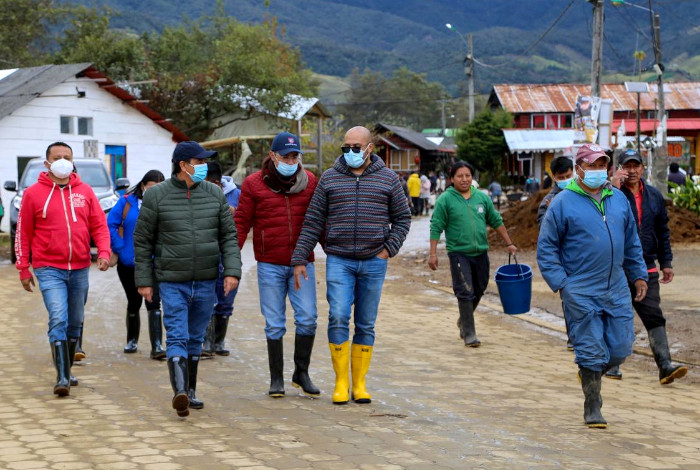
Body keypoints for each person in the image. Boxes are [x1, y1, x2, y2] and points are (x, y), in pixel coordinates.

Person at [292, 126, 411, 405]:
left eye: (356, 147)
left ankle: (359, 383)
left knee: (366, 323)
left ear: (370, 148)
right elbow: (313, 221)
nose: (350, 152)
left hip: (374, 261)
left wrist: (387, 250)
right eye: (346, 147)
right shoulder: (330, 179)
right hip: (339, 261)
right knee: (338, 316)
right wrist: (299, 257)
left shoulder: (388, 179)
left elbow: (404, 218)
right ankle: (340, 381)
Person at [537, 143, 648, 429]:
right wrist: (563, 284)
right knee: (590, 349)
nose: (599, 171)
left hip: (615, 286)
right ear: (578, 169)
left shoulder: (618, 200)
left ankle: (591, 372)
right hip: (580, 289)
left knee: (621, 348)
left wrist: (638, 274)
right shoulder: (562, 203)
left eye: (603, 165)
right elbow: (546, 248)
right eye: (593, 165)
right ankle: (593, 404)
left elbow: (632, 241)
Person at [134, 141, 241, 418]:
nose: (204, 166)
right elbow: (143, 241)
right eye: (199, 161)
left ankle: (190, 392)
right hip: (172, 280)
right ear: (183, 165)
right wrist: (144, 280)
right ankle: (179, 391)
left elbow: (229, 236)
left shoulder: (215, 195)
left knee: (195, 337)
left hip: (206, 279)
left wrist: (231, 270)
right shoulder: (156, 196)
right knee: (178, 335)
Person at [15, 142, 110, 396]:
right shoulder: (33, 194)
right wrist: (23, 268)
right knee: (59, 316)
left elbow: (99, 225)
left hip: (79, 267)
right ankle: (63, 376)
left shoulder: (85, 191)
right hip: (48, 268)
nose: (63, 161)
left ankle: (66, 368)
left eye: (67, 157)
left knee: (75, 321)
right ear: (47, 163)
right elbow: (23, 234)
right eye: (57, 157)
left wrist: (103, 252)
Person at [235, 131, 320, 398]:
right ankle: (276, 379)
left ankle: (301, 372)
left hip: (302, 263)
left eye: (295, 156)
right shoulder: (253, 184)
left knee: (307, 318)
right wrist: (230, 259)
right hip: (269, 263)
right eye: (286, 156)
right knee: (274, 323)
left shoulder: (310, 182)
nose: (291, 160)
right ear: (273, 156)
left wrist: (338, 254)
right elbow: (241, 222)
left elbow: (319, 222)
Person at [606, 149, 688, 384]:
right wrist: (611, 187)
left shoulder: (654, 196)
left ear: (643, 168)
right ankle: (612, 364)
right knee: (616, 315)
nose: (631, 171)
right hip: (616, 268)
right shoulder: (610, 194)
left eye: (636, 166)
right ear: (618, 169)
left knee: (654, 315)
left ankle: (665, 366)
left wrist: (667, 262)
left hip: (646, 267)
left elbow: (663, 232)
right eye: (627, 166)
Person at [429, 161, 518, 347]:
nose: (464, 179)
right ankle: (469, 333)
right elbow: (436, 225)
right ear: (452, 179)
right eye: (459, 176)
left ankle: (464, 318)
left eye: (467, 176)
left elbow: (495, 220)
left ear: (472, 177)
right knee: (465, 291)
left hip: (481, 252)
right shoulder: (445, 199)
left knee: (480, 287)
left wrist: (509, 243)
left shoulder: (482, 198)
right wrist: (433, 253)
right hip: (458, 253)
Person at [108, 170, 166, 359]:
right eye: (151, 188)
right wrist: (120, 247)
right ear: (143, 186)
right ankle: (131, 340)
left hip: (155, 263)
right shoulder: (127, 202)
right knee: (134, 301)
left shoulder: (166, 204)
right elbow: (111, 224)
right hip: (128, 262)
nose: (154, 191)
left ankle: (157, 345)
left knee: (154, 301)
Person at [201, 161, 241, 357]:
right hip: (205, 252)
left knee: (226, 298)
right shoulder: (199, 192)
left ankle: (219, 341)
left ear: (218, 182)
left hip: (228, 253)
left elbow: (242, 222)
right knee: (207, 297)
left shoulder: (236, 195)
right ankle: (206, 341)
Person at [536, 155, 575, 351]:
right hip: (565, 261)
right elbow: (544, 234)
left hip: (587, 257)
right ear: (554, 177)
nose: (566, 179)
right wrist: (552, 215)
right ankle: (574, 337)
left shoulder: (585, 195)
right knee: (570, 300)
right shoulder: (548, 201)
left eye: (569, 175)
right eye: (561, 177)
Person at [536, 156, 574, 225]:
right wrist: (551, 213)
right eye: (561, 178)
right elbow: (542, 227)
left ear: (573, 173)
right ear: (554, 178)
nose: (565, 180)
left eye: (568, 176)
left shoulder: (582, 193)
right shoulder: (549, 200)